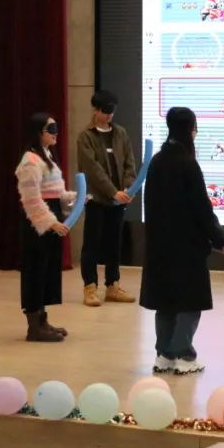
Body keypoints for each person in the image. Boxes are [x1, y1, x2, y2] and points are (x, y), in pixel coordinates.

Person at [140, 107, 224, 375]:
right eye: (195, 127)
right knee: (189, 302)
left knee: (165, 301)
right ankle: (184, 354)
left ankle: (164, 354)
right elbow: (201, 208)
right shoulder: (188, 163)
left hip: (159, 245)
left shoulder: (157, 161)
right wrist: (221, 239)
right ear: (190, 129)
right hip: (186, 246)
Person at [15, 112, 75, 343]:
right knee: (36, 270)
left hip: (50, 218)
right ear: (38, 133)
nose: (55, 133)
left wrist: (76, 198)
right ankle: (34, 327)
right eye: (51, 129)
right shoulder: (29, 161)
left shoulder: (47, 155)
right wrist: (51, 222)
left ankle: (42, 320)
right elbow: (32, 200)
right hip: (37, 224)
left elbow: (56, 193)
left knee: (47, 270)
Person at [75, 89, 137, 307]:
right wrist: (112, 191)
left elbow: (129, 162)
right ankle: (90, 287)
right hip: (97, 199)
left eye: (112, 111)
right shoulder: (86, 137)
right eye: (105, 111)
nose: (109, 115)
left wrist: (128, 188)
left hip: (118, 200)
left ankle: (113, 285)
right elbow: (93, 170)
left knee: (114, 243)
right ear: (96, 110)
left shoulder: (121, 134)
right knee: (92, 244)